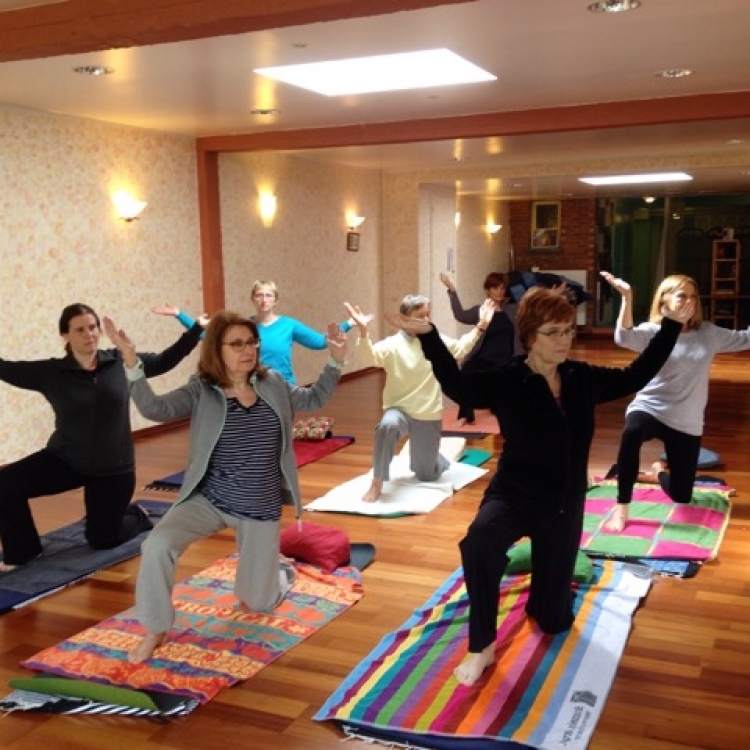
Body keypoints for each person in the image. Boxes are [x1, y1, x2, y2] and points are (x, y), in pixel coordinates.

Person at [387, 282, 694, 686]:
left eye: (568, 331)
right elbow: (457, 387)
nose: (564, 340)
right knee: (480, 542)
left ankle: (548, 588)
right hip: (514, 493)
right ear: (530, 336)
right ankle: (482, 644)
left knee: (552, 621)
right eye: (553, 333)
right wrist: (428, 337)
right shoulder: (507, 379)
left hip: (563, 504)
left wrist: (671, 325)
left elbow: (636, 374)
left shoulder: (581, 377)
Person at [105, 310, 348, 663]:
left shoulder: (274, 383)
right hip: (208, 498)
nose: (247, 350)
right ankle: (155, 627)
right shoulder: (202, 391)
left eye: (251, 342)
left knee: (258, 601)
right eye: (236, 344)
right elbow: (155, 408)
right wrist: (132, 364)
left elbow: (312, 400)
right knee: (156, 545)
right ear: (216, 349)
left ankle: (279, 568)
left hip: (259, 504)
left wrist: (336, 361)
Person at [0, 303, 203, 572]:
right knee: (5, 483)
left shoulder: (123, 361)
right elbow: (5, 368)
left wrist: (196, 329)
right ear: (65, 335)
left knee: (102, 539)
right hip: (66, 459)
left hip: (113, 467)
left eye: (93, 327)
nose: (89, 334)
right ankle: (24, 550)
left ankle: (136, 515)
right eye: (80, 329)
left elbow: (166, 360)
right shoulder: (50, 372)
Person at [601, 272, 750, 533]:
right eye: (682, 296)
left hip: (686, 418)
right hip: (650, 407)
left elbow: (746, 338)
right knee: (632, 432)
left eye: (693, 297)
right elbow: (623, 336)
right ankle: (621, 506)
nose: (689, 302)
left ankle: (658, 471)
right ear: (664, 301)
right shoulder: (654, 331)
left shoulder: (708, 334)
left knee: (682, 495)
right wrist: (626, 297)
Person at [345, 294, 494, 503]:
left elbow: (460, 348)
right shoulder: (393, 344)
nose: (426, 320)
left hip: (427, 414)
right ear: (405, 319)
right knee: (387, 425)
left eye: (428, 315)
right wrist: (363, 331)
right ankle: (377, 482)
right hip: (399, 410)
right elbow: (369, 357)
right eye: (420, 316)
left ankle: (439, 456)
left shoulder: (434, 341)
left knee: (427, 474)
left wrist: (481, 325)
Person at [152, 279, 358, 384]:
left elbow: (321, 342)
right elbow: (208, 337)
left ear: (275, 300)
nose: (264, 300)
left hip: (284, 386)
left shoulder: (289, 325)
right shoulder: (243, 328)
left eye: (269, 295)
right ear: (253, 300)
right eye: (259, 295)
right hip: (250, 386)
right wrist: (180, 315)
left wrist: (350, 322)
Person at [439, 270, 522, 426]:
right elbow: (460, 315)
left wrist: (552, 295)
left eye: (502, 288)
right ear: (487, 290)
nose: (499, 292)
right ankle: (465, 415)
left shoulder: (512, 310)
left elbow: (533, 308)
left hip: (506, 359)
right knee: (467, 373)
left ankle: (499, 406)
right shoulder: (480, 311)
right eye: (495, 288)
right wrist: (451, 289)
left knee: (507, 382)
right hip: (484, 357)